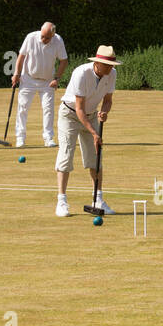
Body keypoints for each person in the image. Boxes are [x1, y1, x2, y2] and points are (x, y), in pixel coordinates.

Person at [54, 46, 120, 218]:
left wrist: (105, 112)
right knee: (66, 154)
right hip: (70, 114)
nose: (110, 68)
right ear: (97, 63)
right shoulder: (81, 73)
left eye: (111, 65)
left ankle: (98, 199)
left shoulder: (111, 74)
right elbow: (79, 109)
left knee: (95, 157)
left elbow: (108, 100)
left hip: (91, 115)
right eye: (107, 65)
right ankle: (61, 201)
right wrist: (94, 133)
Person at [12, 22, 68, 148]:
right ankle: (20, 138)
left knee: (48, 109)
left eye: (47, 37)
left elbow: (64, 61)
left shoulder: (58, 40)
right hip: (28, 79)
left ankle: (48, 138)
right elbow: (21, 57)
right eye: (42, 36)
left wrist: (57, 79)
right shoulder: (31, 37)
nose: (43, 39)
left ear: (53, 35)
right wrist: (16, 73)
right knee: (23, 108)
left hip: (47, 81)